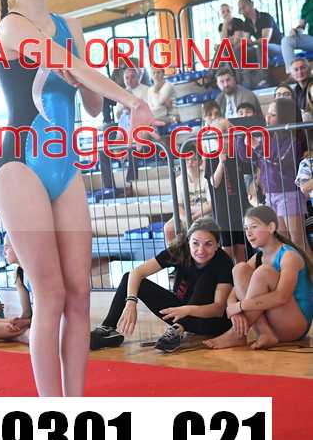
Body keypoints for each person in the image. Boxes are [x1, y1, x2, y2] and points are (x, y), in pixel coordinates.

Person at [0, 0, 157, 396]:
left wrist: (88, 80)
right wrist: (131, 100)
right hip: (19, 165)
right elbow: (70, 66)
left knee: (80, 294)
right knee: (50, 293)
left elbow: (89, 104)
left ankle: (77, 407)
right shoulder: (10, 26)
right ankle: (53, 413)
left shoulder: (72, 26)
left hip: (64, 167)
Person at [90, 217, 233, 352]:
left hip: (210, 321)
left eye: (208, 244)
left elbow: (218, 309)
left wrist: (187, 310)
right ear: (188, 241)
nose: (201, 250)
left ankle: (178, 329)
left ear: (217, 245)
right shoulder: (180, 250)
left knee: (205, 278)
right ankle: (108, 328)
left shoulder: (223, 262)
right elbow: (137, 273)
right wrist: (131, 302)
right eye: (195, 243)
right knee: (129, 278)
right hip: (180, 312)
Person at [204, 206, 313, 349]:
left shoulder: (288, 256)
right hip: (272, 324)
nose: (248, 233)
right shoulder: (258, 257)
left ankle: (236, 334)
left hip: (294, 327)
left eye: (254, 227)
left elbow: (281, 297)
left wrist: (240, 306)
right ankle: (265, 332)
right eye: (246, 228)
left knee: (264, 272)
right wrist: (234, 311)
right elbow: (232, 294)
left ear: (271, 227)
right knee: (239, 269)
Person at [239, 100, 307, 249]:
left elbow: (280, 160)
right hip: (271, 193)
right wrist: (241, 134)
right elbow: (246, 156)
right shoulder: (267, 136)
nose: (268, 118)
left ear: (285, 116)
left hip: (289, 192)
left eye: (273, 115)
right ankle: (290, 264)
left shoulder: (293, 138)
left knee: (298, 241)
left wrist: (258, 146)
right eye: (267, 114)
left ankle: (307, 265)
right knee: (283, 240)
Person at [204, 118, 251, 263]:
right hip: (223, 212)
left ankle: (241, 275)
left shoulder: (237, 155)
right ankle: (227, 276)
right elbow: (214, 182)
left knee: (241, 249)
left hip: (239, 208)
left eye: (228, 132)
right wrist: (221, 162)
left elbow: (250, 168)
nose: (225, 137)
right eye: (222, 133)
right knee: (227, 250)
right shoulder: (212, 157)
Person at [163, 141, 212, 246]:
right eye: (187, 159)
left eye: (194, 159)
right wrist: (186, 218)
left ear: (199, 161)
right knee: (168, 228)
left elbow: (210, 204)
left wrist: (194, 217)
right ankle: (173, 254)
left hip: (204, 215)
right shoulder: (178, 180)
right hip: (184, 216)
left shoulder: (206, 177)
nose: (190, 163)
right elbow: (178, 205)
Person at [281, 0, 313, 72]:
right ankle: (292, 73)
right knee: (286, 41)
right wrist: (296, 30)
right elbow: (302, 26)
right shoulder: (307, 5)